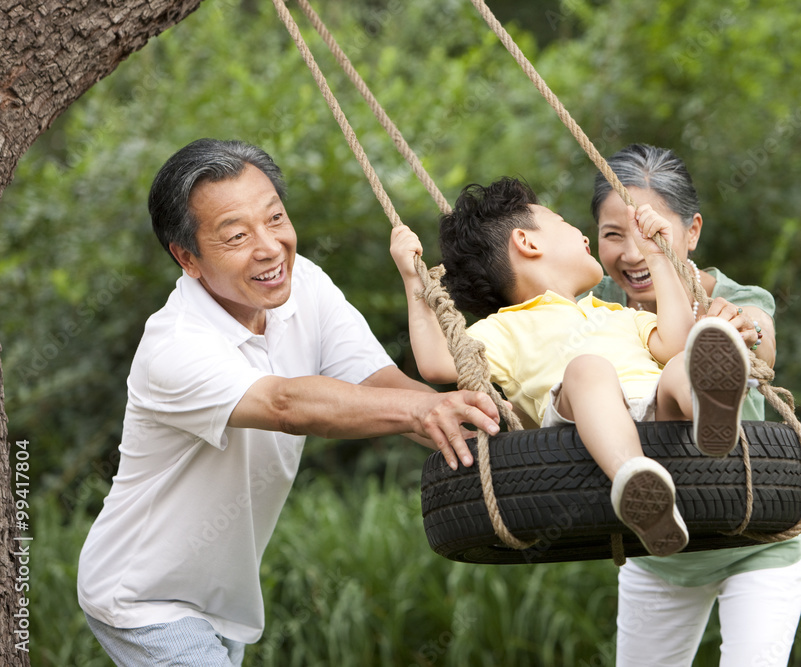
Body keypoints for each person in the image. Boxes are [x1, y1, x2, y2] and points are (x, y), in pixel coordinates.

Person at [76, 139, 504, 666]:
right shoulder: (174, 345)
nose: (270, 248)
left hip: (222, 599)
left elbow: (379, 384)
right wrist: (422, 412)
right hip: (143, 594)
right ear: (187, 257)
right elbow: (284, 405)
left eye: (275, 218)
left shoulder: (307, 286)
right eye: (236, 235)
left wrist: (497, 429)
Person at [390, 176, 756, 559]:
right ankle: (635, 482)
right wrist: (414, 281)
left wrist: (659, 257)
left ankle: (710, 410)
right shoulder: (505, 327)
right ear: (527, 243)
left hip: (659, 413)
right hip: (578, 423)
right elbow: (436, 364)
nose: (583, 235)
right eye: (564, 222)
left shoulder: (615, 313)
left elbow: (677, 342)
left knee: (684, 363)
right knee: (587, 368)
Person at [591, 143, 801, 666]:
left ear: (691, 232)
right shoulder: (595, 301)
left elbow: (765, 338)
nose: (631, 253)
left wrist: (743, 332)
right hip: (660, 551)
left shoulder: (735, 300)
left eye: (651, 234)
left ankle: (702, 392)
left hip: (758, 541)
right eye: (612, 235)